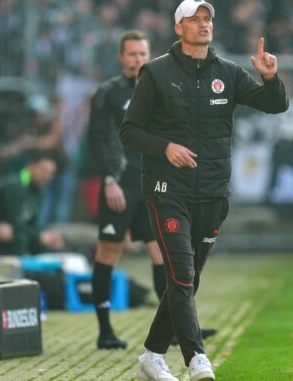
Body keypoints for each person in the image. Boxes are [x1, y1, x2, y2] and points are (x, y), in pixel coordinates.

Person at [119, 1, 289, 380]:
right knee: (180, 275)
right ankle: (197, 358)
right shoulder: (156, 72)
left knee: (188, 281)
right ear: (178, 28)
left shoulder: (227, 72)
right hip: (167, 190)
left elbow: (275, 105)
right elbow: (129, 131)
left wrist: (270, 78)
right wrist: (165, 147)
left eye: (207, 18)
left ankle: (150, 356)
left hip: (213, 191)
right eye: (193, 19)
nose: (202, 24)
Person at [88, 29, 217, 350]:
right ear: (121, 58)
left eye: (143, 53)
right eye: (132, 54)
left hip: (151, 184)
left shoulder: (160, 86)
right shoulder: (107, 93)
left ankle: (174, 330)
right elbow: (98, 139)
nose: (138, 59)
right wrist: (108, 179)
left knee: (163, 254)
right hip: (119, 185)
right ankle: (104, 331)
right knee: (109, 251)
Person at [0, 150, 64, 255]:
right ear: (31, 166)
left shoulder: (38, 189)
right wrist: (38, 237)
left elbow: (32, 222)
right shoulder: (15, 186)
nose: (47, 177)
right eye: (43, 171)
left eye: (50, 173)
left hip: (14, 233)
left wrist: (46, 234)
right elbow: (15, 224)